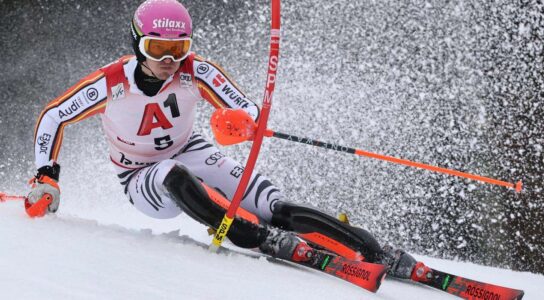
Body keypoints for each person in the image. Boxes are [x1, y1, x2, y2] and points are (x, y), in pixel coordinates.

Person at [27, 0, 425, 280]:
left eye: (178, 48)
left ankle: (374, 250)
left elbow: (246, 108)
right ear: (138, 44)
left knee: (273, 204)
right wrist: (46, 176)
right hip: (141, 177)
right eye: (158, 48)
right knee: (173, 173)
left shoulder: (195, 70)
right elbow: (53, 116)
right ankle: (251, 237)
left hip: (192, 149)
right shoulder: (110, 82)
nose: (169, 60)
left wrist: (242, 123)